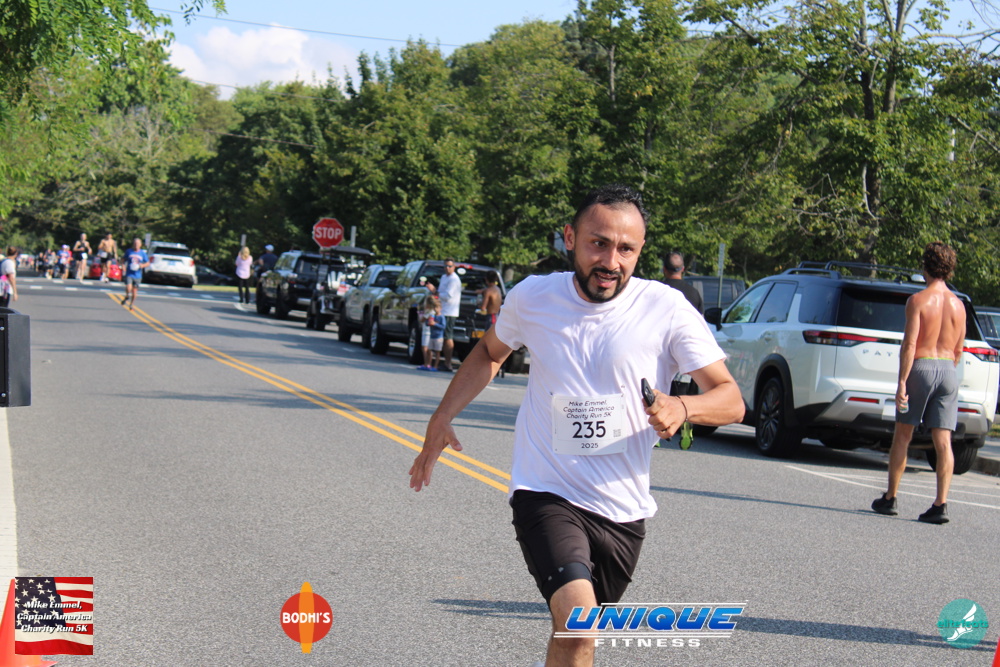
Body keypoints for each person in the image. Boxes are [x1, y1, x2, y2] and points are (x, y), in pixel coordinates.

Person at [409, 184, 744, 666]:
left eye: (626, 249)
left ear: (640, 250)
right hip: (546, 491)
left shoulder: (666, 308)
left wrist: (683, 408)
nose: (611, 261)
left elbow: (731, 400)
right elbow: (489, 352)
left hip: (622, 510)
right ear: (570, 237)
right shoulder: (534, 296)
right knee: (576, 622)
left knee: (577, 640)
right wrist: (442, 416)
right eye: (598, 243)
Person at [872, 242, 965, 525]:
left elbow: (910, 344)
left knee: (903, 434)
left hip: (922, 366)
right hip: (948, 370)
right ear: (949, 269)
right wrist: (946, 370)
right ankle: (941, 504)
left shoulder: (918, 300)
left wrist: (902, 381)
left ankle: (890, 498)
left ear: (925, 267)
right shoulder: (959, 305)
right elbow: (959, 349)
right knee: (943, 441)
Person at [437, 258, 461, 372]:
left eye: (450, 266)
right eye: (445, 266)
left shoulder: (454, 279)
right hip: (442, 311)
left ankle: (448, 363)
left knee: (448, 337)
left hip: (450, 312)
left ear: (454, 267)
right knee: (441, 337)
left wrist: (435, 292)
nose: (447, 268)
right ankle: (442, 362)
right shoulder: (444, 277)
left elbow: (448, 296)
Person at [120, 238, 151, 311]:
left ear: (140, 245)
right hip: (129, 273)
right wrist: (123, 265)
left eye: (137, 244)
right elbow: (123, 259)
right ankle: (127, 296)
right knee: (128, 288)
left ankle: (131, 304)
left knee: (134, 291)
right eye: (135, 243)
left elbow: (147, 263)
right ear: (133, 244)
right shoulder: (129, 251)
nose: (136, 245)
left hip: (137, 275)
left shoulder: (142, 253)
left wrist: (141, 265)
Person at [419, 298, 445, 371]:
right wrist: (429, 323)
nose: (435, 309)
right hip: (432, 336)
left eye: (437, 308)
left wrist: (435, 324)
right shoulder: (433, 315)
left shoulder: (441, 317)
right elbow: (428, 323)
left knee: (437, 352)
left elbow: (443, 326)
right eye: (434, 307)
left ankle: (435, 366)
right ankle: (428, 364)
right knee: (429, 350)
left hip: (438, 337)